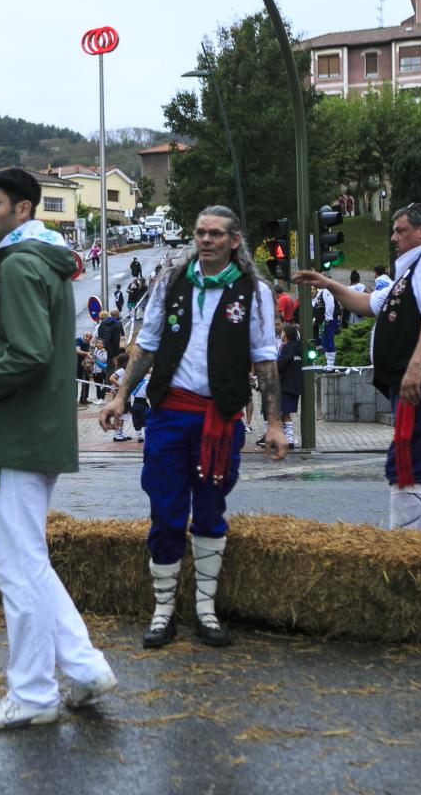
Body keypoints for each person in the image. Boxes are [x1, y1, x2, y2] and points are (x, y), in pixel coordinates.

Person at [0, 168, 116, 730]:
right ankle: (85, 667)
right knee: (30, 561)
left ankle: (32, 694)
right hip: (38, 429)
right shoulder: (43, 260)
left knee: (17, 569)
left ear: (23, 209)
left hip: (20, 431)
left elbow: (27, 354)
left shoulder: (18, 265)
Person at [99, 205, 286, 650]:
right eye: (201, 232)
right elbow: (146, 345)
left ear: (234, 241)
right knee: (165, 511)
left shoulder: (254, 291)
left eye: (216, 234)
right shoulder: (171, 282)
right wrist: (121, 397)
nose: (206, 239)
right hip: (169, 413)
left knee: (209, 511)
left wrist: (275, 421)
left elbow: (265, 359)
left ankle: (206, 610)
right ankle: (163, 611)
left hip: (220, 417)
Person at [295, 203, 421, 535]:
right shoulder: (415, 267)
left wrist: (416, 366)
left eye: (400, 230)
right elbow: (368, 304)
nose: (393, 237)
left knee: (406, 461)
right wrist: (327, 283)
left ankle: (401, 546)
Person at [273, 323, 302, 450]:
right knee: (284, 412)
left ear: (286, 334)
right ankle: (286, 438)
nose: (281, 333)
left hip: (287, 385)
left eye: (283, 331)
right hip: (293, 384)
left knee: (284, 412)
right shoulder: (297, 346)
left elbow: (282, 363)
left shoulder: (289, 347)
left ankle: (288, 439)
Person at [315, 285, 339, 366]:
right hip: (322, 321)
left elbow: (330, 306)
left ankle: (330, 365)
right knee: (324, 342)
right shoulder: (320, 292)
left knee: (329, 341)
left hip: (328, 320)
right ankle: (328, 363)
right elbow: (318, 307)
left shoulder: (327, 291)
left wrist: (327, 319)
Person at [75, 331, 94, 405]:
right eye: (86, 336)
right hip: (76, 364)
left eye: (89, 338)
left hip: (84, 365)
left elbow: (87, 354)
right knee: (75, 382)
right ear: (83, 335)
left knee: (86, 381)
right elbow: (77, 350)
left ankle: (84, 399)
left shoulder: (88, 343)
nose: (87, 339)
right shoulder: (78, 340)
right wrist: (86, 353)